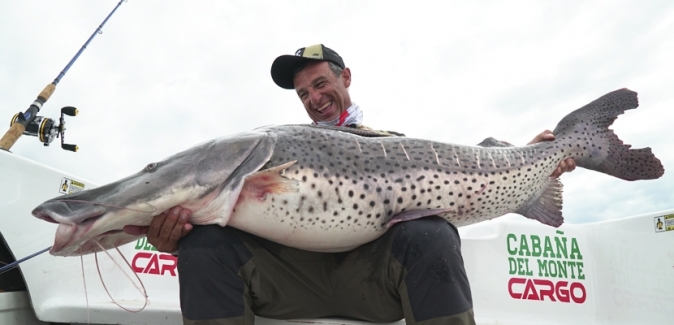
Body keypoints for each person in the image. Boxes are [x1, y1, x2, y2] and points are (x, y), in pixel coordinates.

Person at [125, 44, 576, 325]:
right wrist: (180, 234)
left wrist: (529, 157)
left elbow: (463, 178)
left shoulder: (395, 147)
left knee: (432, 232)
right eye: (303, 94)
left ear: (346, 78)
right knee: (204, 245)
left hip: (373, 286)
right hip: (288, 283)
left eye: (321, 84)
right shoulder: (271, 150)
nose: (314, 98)